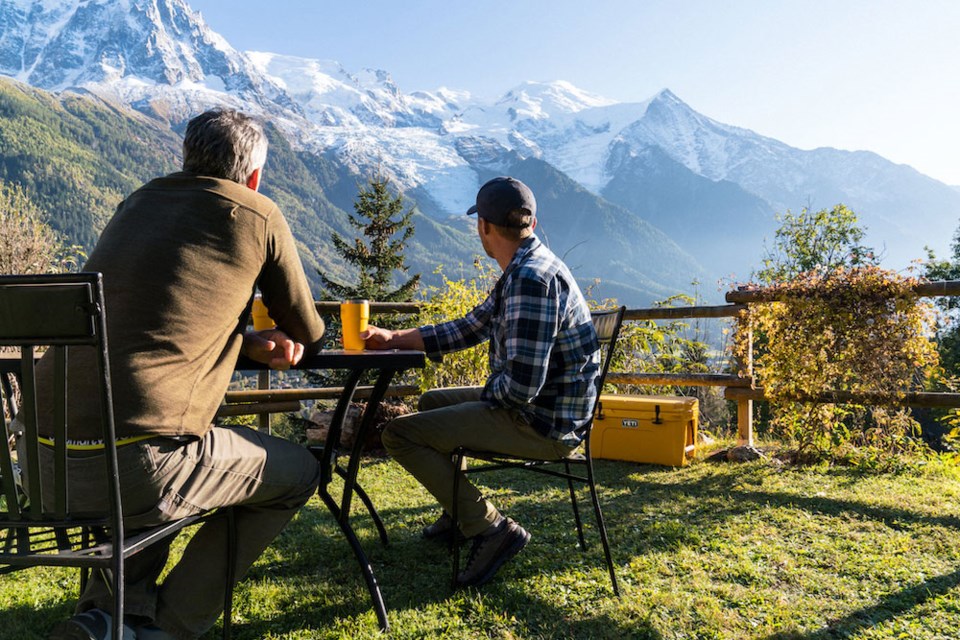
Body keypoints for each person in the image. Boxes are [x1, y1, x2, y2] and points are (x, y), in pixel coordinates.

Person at [34, 108, 326, 640]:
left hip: (42, 467)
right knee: (297, 472)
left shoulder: (137, 203)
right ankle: (168, 628)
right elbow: (308, 330)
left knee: (154, 462)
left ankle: (104, 621)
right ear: (254, 176)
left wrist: (242, 342)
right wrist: (269, 341)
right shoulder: (258, 213)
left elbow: (153, 321)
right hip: (141, 465)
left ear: (186, 158)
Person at [362, 176, 601, 588]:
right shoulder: (527, 266)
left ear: (484, 227)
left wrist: (483, 397)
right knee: (435, 402)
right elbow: (471, 326)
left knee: (400, 435)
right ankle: (459, 512)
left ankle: (491, 529)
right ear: (531, 222)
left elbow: (520, 389)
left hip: (544, 423)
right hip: (547, 406)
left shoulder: (530, 280)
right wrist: (394, 339)